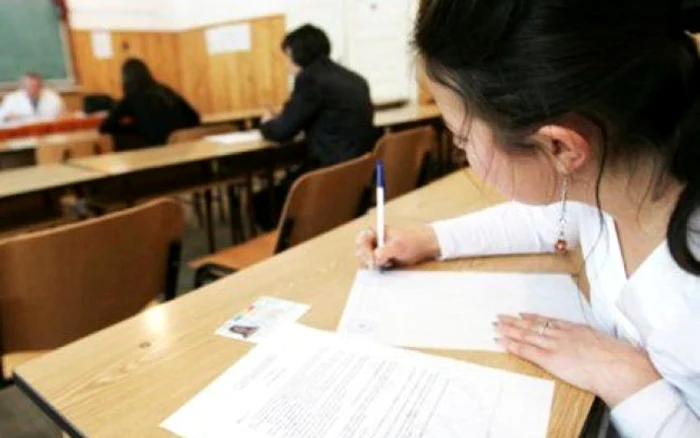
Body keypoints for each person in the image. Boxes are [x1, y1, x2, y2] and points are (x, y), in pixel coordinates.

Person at [355, 0, 700, 436]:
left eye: (462, 139)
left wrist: (627, 379)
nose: (464, 154)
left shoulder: (687, 302)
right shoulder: (621, 181)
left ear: (559, 148)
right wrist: (430, 238)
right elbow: (550, 221)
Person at [260, 24, 375, 169]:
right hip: (358, 171)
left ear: (297, 54)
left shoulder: (309, 79)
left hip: (328, 173)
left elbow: (282, 132)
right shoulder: (356, 79)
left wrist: (266, 122)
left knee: (273, 191)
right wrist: (284, 115)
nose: (286, 64)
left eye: (287, 56)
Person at [99, 58, 200, 147]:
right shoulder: (165, 90)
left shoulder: (131, 98)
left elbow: (105, 127)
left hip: (157, 152)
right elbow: (194, 117)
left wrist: (134, 127)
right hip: (184, 149)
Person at [0, 72, 65, 124]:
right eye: (30, 86)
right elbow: (2, 118)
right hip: (21, 134)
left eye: (37, 86)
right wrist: (7, 117)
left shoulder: (53, 97)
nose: (34, 89)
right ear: (23, 86)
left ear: (41, 86)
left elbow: (63, 116)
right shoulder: (11, 99)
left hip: (48, 133)